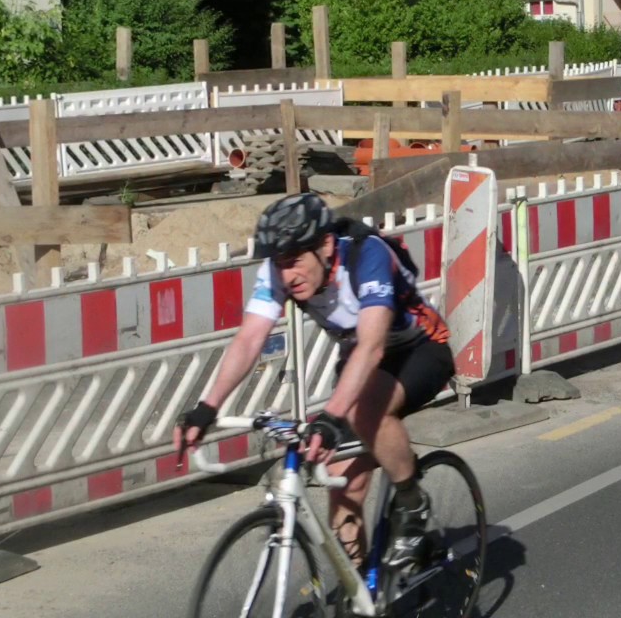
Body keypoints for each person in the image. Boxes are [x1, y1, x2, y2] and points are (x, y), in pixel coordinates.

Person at [173, 193, 454, 569]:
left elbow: (372, 347)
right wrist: (207, 407)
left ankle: (411, 500)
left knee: (367, 412)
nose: (287, 275)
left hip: (418, 349)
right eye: (279, 264)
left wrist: (333, 416)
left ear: (324, 245)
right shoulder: (279, 270)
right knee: (340, 477)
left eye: (294, 261)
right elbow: (249, 338)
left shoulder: (365, 255)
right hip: (359, 360)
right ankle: (360, 592)